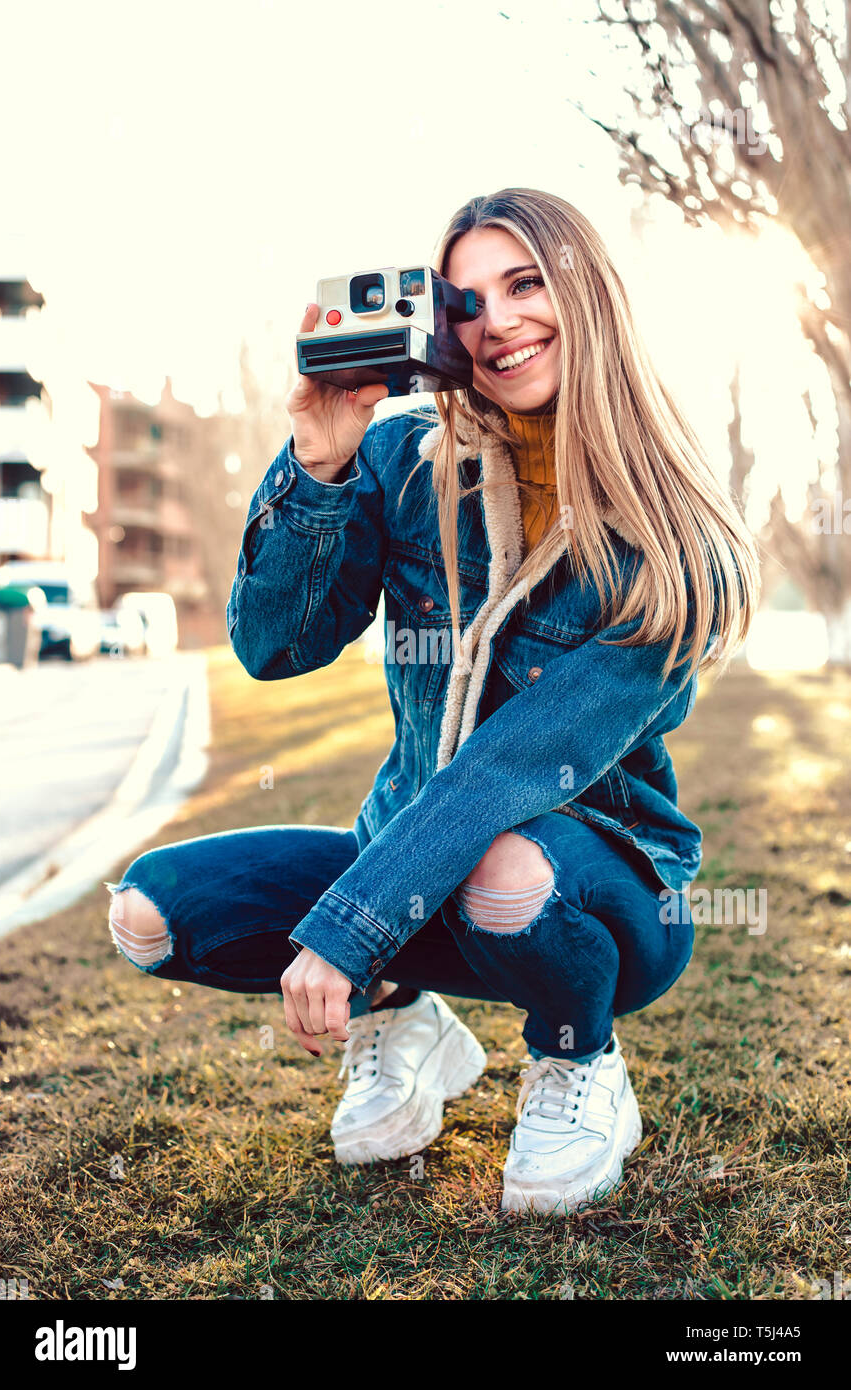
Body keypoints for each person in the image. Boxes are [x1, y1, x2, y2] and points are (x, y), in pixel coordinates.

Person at [105, 188, 761, 1216]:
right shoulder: (403, 459)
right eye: (468, 298)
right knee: (148, 916)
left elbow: (513, 767)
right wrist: (319, 463)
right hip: (411, 855)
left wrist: (347, 928)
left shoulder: (672, 541)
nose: (495, 320)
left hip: (600, 892)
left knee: (502, 868)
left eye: (525, 284)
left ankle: (575, 1057)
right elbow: (274, 645)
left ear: (586, 294)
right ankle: (405, 1017)